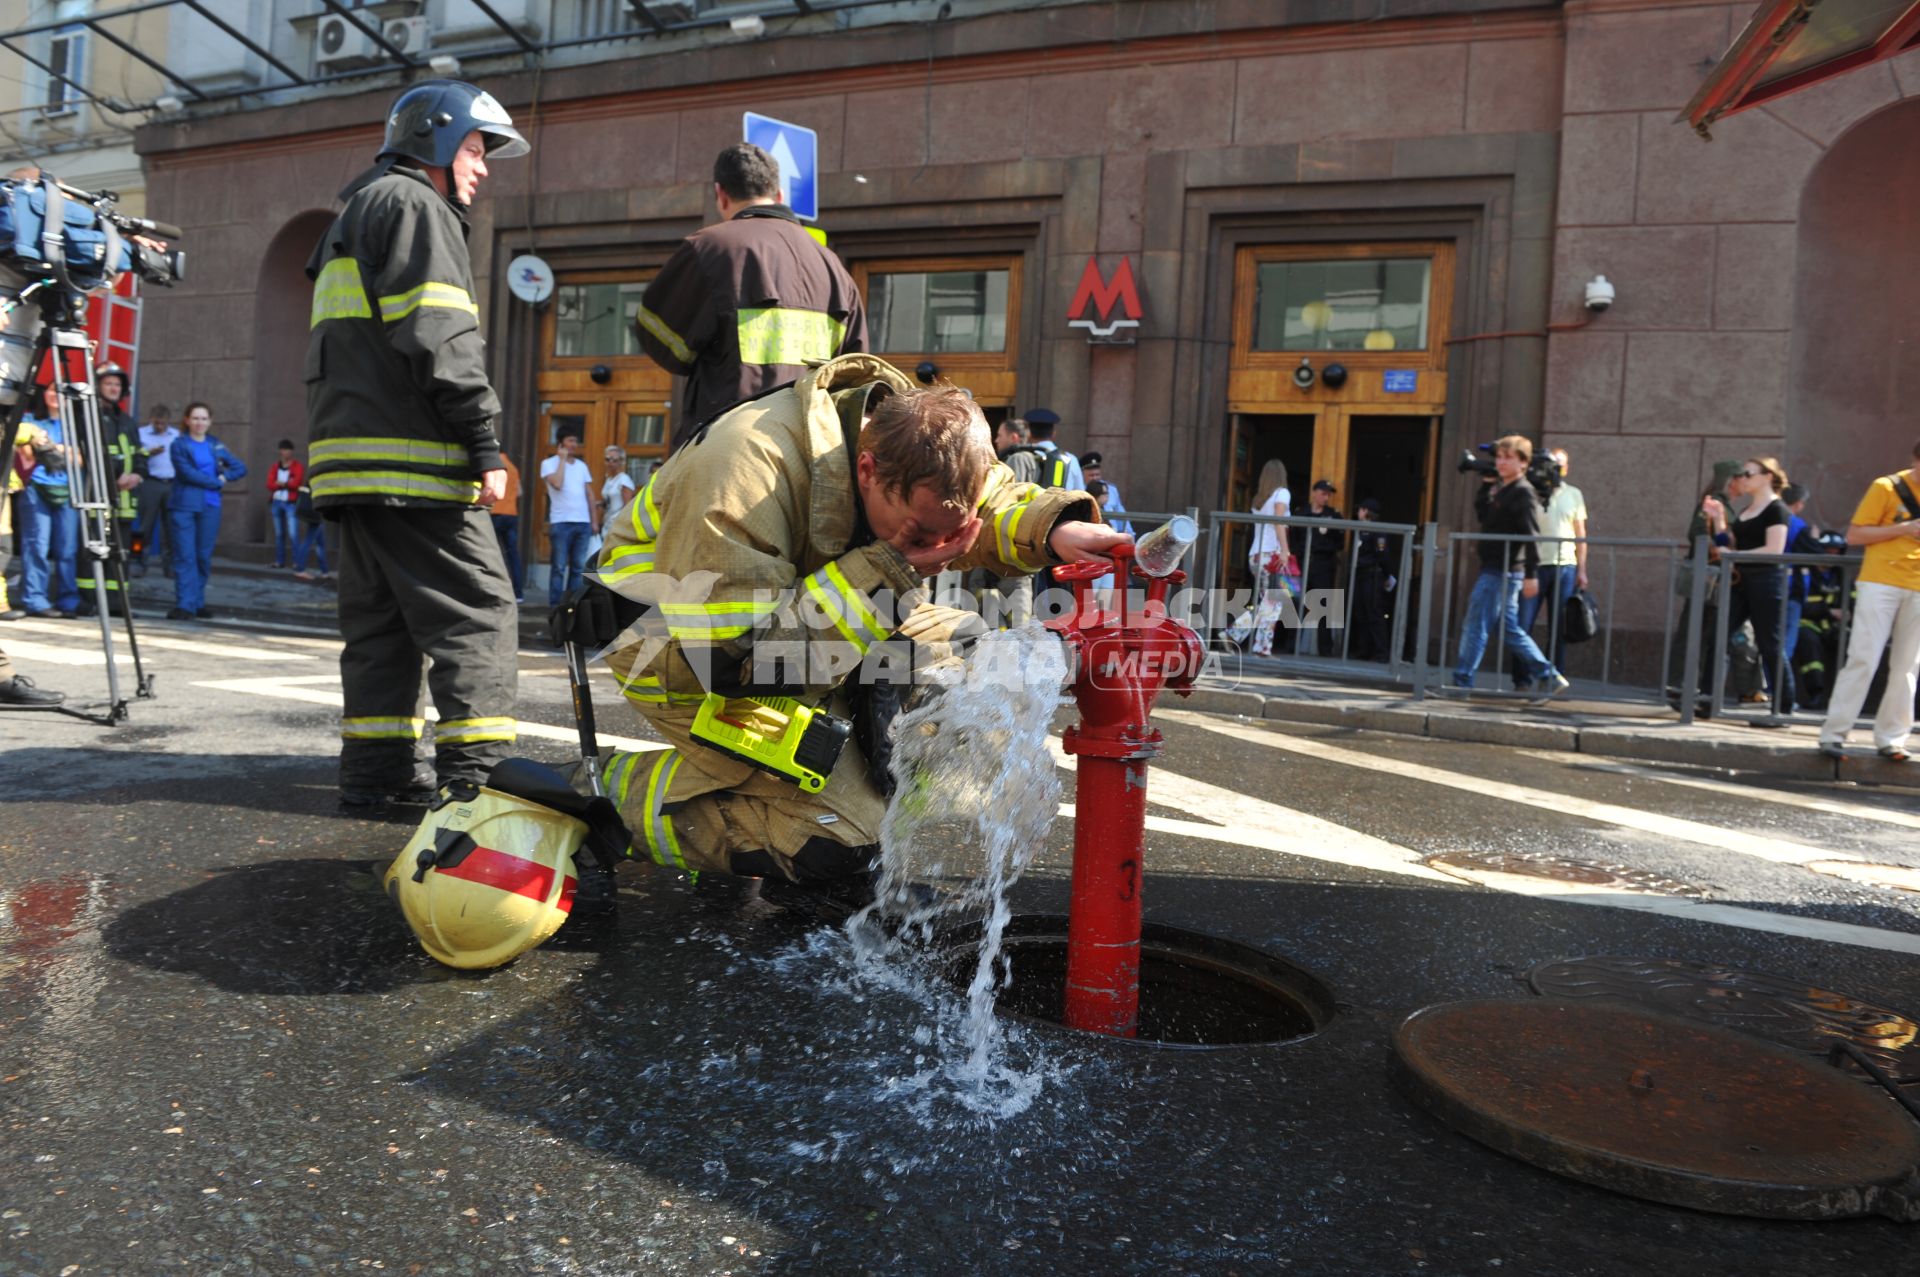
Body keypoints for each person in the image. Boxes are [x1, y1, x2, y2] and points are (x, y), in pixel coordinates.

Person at [587, 356, 1125, 885]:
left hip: (802, 613)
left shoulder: (914, 442)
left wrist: (1054, 530)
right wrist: (889, 570)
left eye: (950, 535)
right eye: (919, 535)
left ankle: (817, 816)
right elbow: (749, 661)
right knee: (833, 839)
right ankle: (598, 796)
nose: (938, 550)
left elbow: (994, 499)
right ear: (866, 471)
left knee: (980, 662)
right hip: (678, 648)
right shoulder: (744, 470)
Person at [304, 78, 528, 809]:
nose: (483, 165)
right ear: (433, 139)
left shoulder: (357, 209)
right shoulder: (414, 206)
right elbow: (441, 338)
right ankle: (479, 786)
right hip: (416, 461)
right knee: (479, 612)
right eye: (473, 146)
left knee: (384, 627)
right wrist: (484, 445)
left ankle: (376, 776)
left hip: (352, 463)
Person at [639, 142, 866, 451]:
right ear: (780, 195)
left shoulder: (710, 249)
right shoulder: (832, 266)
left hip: (727, 454)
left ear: (720, 194)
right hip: (807, 459)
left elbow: (661, 341)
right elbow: (853, 374)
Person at [1818, 443, 1920, 762]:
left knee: (1907, 667)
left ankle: (1892, 739)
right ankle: (1834, 734)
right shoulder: (1886, 487)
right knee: (1863, 657)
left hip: (1917, 585)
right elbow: (1855, 535)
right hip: (1880, 581)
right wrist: (1904, 528)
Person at [1453, 435, 1569, 702]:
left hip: (1502, 571)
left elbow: (1531, 536)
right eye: (1499, 457)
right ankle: (1549, 676)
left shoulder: (1523, 492)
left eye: (1508, 458)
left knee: (1475, 626)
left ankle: (1460, 683)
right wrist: (1486, 486)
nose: (1501, 462)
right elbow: (1485, 517)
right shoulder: (1506, 489)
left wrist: (1531, 575)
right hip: (1500, 569)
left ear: (1524, 463)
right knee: (1510, 630)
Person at [1701, 456, 1795, 722]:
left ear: (1767, 476)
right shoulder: (1746, 510)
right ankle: (1706, 700)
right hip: (1743, 581)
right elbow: (1728, 543)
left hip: (1766, 582)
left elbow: (1774, 550)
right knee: (1718, 635)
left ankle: (1784, 708)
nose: (1742, 478)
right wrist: (1719, 519)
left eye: (1748, 473)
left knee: (1770, 645)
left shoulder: (1777, 510)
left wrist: (1735, 555)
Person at [165, 402, 247, 620]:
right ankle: (185, 604)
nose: (200, 423)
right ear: (187, 420)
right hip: (184, 506)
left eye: (204, 419)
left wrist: (225, 477)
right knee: (185, 556)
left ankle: (197, 602)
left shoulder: (215, 444)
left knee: (202, 556)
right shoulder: (179, 444)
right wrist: (216, 482)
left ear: (210, 422)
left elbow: (240, 467)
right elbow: (186, 473)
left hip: (210, 506)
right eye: (195, 418)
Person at [74, 362, 144, 617]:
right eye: (108, 383)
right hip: (97, 495)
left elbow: (139, 453)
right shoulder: (88, 416)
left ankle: (117, 603)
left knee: (120, 553)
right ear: (98, 386)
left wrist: (137, 474)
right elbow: (93, 451)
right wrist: (117, 474)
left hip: (124, 500)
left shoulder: (126, 421)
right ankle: (89, 602)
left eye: (117, 384)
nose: (114, 388)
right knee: (92, 550)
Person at [1516, 446, 1586, 682]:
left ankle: (1554, 678)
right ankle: (1522, 680)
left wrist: (1582, 570)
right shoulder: (1530, 491)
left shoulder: (1574, 494)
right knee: (1523, 624)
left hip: (1565, 566)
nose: (1556, 469)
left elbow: (1580, 534)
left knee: (1559, 629)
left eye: (1561, 465)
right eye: (1552, 463)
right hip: (1533, 566)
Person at [18, 383, 79, 620]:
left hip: (68, 490)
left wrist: (50, 447)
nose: (56, 395)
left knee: (67, 549)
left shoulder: (76, 425)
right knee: (37, 546)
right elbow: (27, 455)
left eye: (61, 391)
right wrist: (64, 450)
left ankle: (68, 600)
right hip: (36, 488)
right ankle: (36, 600)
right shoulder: (30, 420)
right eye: (52, 390)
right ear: (44, 394)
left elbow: (83, 458)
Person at [1245, 459, 1295, 656]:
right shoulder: (1282, 493)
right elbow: (1279, 521)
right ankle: (1262, 647)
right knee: (1274, 602)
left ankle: (1236, 635)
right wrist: (1285, 549)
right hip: (1271, 555)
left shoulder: (1259, 498)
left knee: (1266, 602)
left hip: (1256, 555)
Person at [542, 429, 597, 607]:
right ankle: (555, 606)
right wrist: (562, 460)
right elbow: (557, 484)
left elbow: (589, 494)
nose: (574, 444)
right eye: (570, 440)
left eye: (575, 441)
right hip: (561, 523)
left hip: (582, 523)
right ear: (561, 444)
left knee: (578, 567)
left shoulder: (582, 466)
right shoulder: (549, 464)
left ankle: (571, 605)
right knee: (558, 567)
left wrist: (594, 521)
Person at [1291, 479, 1345, 655]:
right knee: (1295, 603)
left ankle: (1325, 649)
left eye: (1328, 494)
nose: (1326, 497)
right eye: (1323, 493)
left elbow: (1339, 542)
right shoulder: (1301, 512)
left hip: (1323, 564)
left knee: (1323, 605)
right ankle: (1290, 646)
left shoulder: (1333, 516)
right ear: (1314, 493)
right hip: (1301, 564)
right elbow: (1293, 538)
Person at [133, 402, 177, 576]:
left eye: (163, 423)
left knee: (171, 527)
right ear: (151, 419)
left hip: (171, 483)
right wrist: (147, 453)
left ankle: (170, 564)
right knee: (144, 526)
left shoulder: (175, 435)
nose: (160, 427)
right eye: (157, 423)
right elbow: (134, 454)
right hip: (150, 481)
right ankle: (138, 561)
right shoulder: (141, 434)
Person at [1350, 497, 1395, 662]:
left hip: (1373, 575)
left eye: (1360, 509)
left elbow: (1382, 554)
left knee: (1374, 613)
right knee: (1361, 612)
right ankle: (1364, 650)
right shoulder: (1360, 530)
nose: (1358, 513)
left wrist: (1388, 574)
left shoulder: (1377, 530)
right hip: (1361, 574)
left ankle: (1382, 652)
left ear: (1367, 511)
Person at [487, 452, 524, 603]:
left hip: (494, 513)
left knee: (491, 553)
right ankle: (518, 593)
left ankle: (493, 591)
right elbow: (520, 492)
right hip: (511, 515)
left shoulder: (493, 465)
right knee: (512, 555)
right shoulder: (513, 468)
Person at [265, 439, 305, 569]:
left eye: (288, 450)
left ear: (291, 451)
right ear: (280, 451)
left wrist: (281, 483)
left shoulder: (297, 466)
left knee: (293, 533)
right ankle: (279, 561)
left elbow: (296, 483)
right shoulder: (275, 466)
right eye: (283, 450)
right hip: (276, 502)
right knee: (279, 534)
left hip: (290, 503)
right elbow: (269, 484)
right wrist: (287, 483)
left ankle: (296, 562)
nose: (285, 452)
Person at [1022, 409, 1084, 491]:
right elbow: (1080, 493)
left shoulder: (1022, 457)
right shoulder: (1071, 459)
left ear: (1029, 433)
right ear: (1053, 433)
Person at [1081, 451, 1132, 535]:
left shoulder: (1111, 489)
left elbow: (1121, 514)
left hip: (1113, 534)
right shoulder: (1080, 491)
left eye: (1097, 474)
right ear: (1082, 474)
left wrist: (1129, 534)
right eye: (1091, 475)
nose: (1095, 478)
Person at [291, 479, 329, 582]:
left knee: (320, 542)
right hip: (315, 512)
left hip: (312, 511)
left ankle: (325, 571)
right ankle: (300, 569)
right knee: (308, 540)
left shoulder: (315, 473)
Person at [601, 444, 637, 527]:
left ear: (621, 461)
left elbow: (627, 506)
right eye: (607, 459)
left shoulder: (624, 480)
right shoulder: (609, 479)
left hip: (618, 522)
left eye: (614, 460)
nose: (610, 462)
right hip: (607, 521)